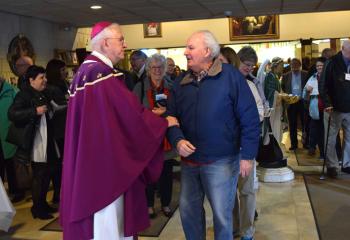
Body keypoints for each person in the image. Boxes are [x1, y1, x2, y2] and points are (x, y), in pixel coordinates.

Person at [59, 22, 178, 240]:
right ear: (105, 42)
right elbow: (130, 117)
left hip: (89, 161)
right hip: (106, 167)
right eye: (121, 40)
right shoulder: (102, 76)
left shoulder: (84, 72)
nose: (125, 44)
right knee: (108, 224)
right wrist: (162, 123)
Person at [166, 30, 260, 240]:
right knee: (189, 213)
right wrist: (177, 139)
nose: (185, 52)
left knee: (221, 216)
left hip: (222, 162)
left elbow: (250, 118)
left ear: (207, 51)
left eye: (191, 48)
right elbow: (170, 116)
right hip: (189, 162)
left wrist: (247, 155)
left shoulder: (231, 77)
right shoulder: (181, 81)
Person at [8, 65, 59, 220]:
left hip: (47, 139)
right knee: (39, 175)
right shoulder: (24, 95)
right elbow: (12, 113)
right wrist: (34, 112)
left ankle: (42, 203)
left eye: (45, 77)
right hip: (36, 142)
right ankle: (37, 208)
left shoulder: (42, 92)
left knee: (47, 172)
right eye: (41, 78)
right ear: (31, 80)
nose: (45, 80)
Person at [133, 54, 178, 218]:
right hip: (148, 139)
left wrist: (166, 112)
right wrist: (150, 115)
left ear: (165, 69)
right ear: (149, 69)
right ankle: (149, 205)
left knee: (166, 174)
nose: (157, 70)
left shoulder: (172, 87)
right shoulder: (140, 87)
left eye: (160, 67)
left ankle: (166, 204)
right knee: (149, 174)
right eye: (154, 67)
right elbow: (133, 112)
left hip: (166, 137)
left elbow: (177, 110)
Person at [319, 40, 350, 178]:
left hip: (349, 107)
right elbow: (323, 84)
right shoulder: (332, 62)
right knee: (331, 138)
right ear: (343, 48)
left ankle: (347, 164)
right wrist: (327, 103)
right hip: (334, 107)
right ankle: (332, 165)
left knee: (349, 138)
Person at [45, 59, 69, 204]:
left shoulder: (62, 85)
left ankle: (60, 194)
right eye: (62, 70)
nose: (65, 72)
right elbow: (57, 108)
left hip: (63, 128)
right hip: (59, 130)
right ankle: (58, 195)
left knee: (61, 164)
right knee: (60, 164)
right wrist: (70, 102)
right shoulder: (53, 88)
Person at [0, 78, 24, 203]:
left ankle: (16, 191)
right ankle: (2, 197)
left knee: (11, 166)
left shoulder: (12, 91)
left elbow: (21, 111)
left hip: (9, 135)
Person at [281, 58, 308, 150]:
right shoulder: (286, 76)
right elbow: (283, 88)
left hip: (302, 102)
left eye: (296, 66)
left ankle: (306, 143)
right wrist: (287, 97)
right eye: (293, 66)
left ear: (300, 66)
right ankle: (294, 144)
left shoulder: (306, 74)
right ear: (290, 66)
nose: (294, 68)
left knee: (305, 123)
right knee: (292, 124)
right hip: (291, 103)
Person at [302, 57, 326, 159]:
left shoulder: (328, 77)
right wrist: (307, 90)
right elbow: (304, 94)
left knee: (323, 132)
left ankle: (323, 153)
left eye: (321, 65)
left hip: (327, 108)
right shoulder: (312, 77)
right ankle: (314, 149)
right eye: (317, 66)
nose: (319, 67)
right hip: (315, 109)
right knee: (315, 130)